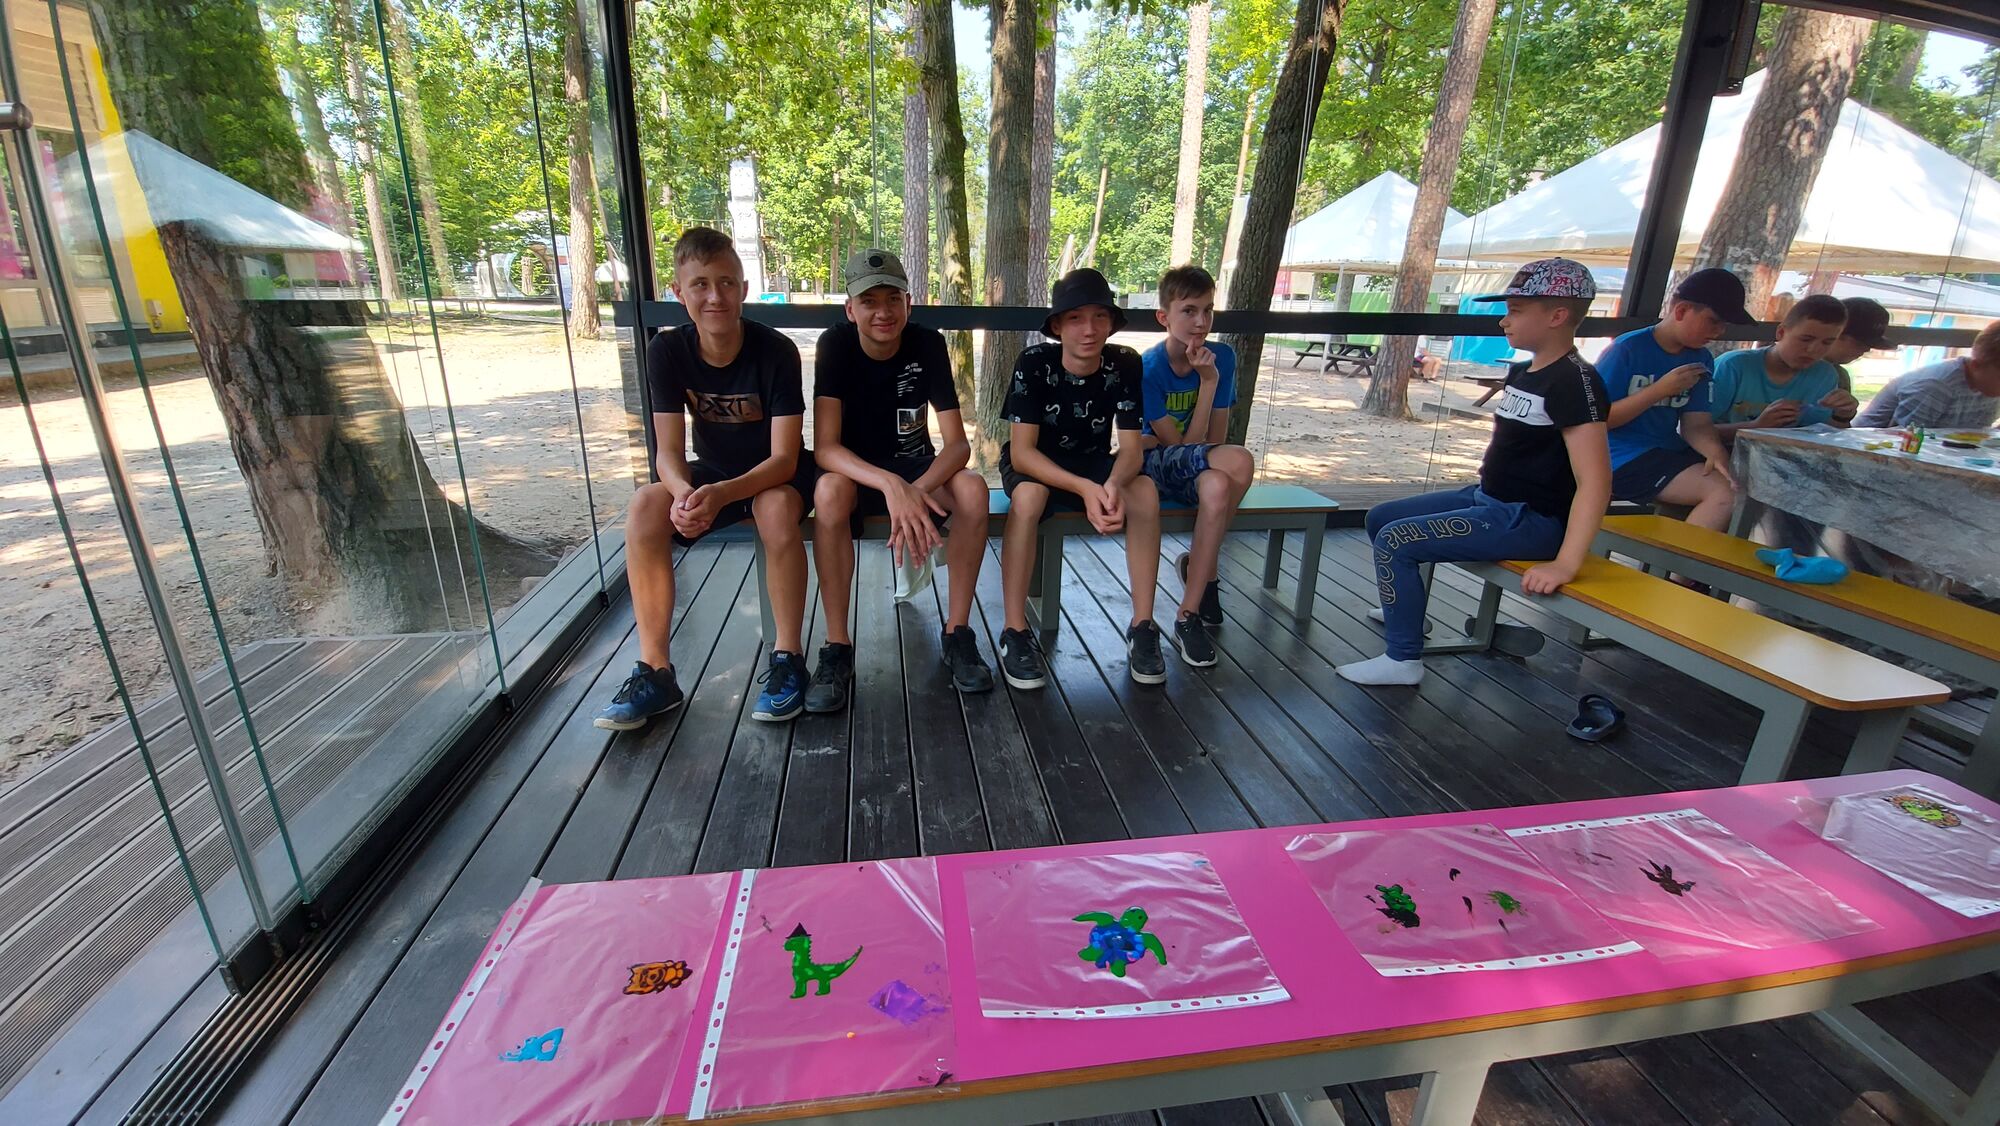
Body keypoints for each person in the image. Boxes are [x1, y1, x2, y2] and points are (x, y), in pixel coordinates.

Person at [1342, 258, 1611, 687]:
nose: (1505, 320)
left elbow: (1595, 481)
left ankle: (1403, 660)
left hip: (1531, 519)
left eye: (1516, 311)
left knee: (1397, 540)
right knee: (1381, 518)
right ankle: (1407, 614)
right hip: (1489, 498)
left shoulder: (1575, 382)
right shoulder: (1523, 372)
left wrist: (1565, 563)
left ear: (1558, 316)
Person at [595, 227, 818, 730]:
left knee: (773, 508)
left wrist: (719, 495)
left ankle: (787, 660)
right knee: (646, 506)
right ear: (680, 292)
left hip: (775, 473)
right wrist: (683, 495)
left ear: (743, 289)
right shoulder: (667, 351)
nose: (714, 296)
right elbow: (668, 454)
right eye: (700, 284)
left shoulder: (776, 350)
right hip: (713, 471)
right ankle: (656, 672)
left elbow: (785, 458)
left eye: (726, 283)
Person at [806, 249, 995, 710]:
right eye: (869, 301)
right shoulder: (835, 345)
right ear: (850, 309)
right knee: (827, 491)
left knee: (973, 489)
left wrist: (915, 490)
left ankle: (958, 632)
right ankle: (837, 647)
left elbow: (958, 446)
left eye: (893, 299)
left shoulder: (927, 343)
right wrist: (892, 487)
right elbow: (826, 448)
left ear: (908, 303)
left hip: (916, 470)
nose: (883, 312)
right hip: (857, 471)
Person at [997, 268, 1164, 689]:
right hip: (1037, 462)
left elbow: (1130, 450)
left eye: (1099, 317)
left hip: (1093, 460)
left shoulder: (1124, 362)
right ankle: (1015, 630)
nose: (1089, 330)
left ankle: (1143, 626)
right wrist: (1086, 488)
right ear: (1057, 325)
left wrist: (1111, 485)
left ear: (1111, 322)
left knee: (1144, 490)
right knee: (1029, 499)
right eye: (1075, 318)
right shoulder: (1035, 362)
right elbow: (1021, 452)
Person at [1140, 265, 1255, 667]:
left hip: (1200, 460)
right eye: (1189, 311)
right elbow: (1181, 448)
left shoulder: (1222, 357)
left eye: (1208, 310)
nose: (1201, 322)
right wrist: (1206, 383)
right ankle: (1206, 574)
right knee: (1240, 460)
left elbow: (1214, 439)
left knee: (1219, 484)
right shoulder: (1149, 368)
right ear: (1164, 317)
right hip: (1154, 466)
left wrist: (1211, 377)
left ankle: (1187, 615)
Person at [1597, 267, 1751, 532]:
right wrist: (1658, 390)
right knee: (1723, 495)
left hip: (1667, 450)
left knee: (1746, 485)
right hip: (1616, 456)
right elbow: (1596, 420)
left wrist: (1715, 452)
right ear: (1681, 311)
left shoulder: (1701, 358)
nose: (1719, 332)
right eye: (1713, 321)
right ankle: (1675, 561)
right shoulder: (1626, 349)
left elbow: (1697, 424)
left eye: (1724, 325)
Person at [1711, 293, 1861, 442]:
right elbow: (1699, 430)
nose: (1813, 350)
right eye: (1805, 339)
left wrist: (1842, 415)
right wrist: (1755, 426)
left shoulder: (1825, 375)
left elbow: (1821, 435)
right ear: (1781, 332)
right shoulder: (1734, 366)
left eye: (1827, 343)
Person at [1854, 319, 2000, 430]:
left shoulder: (1989, 389)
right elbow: (1906, 440)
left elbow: (1976, 434)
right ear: (1976, 365)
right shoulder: (1936, 386)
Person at [1825, 297, 1891, 393]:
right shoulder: (1801, 368)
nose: (1866, 350)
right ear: (1835, 334)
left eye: (1870, 345)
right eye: (1859, 344)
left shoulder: (1840, 375)